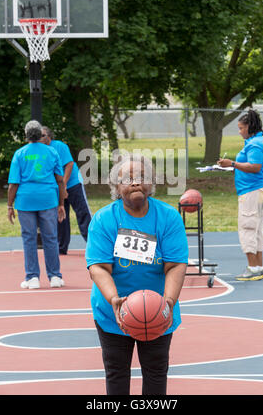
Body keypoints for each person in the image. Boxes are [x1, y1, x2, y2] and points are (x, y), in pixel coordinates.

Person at [85, 154, 188, 395]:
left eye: (142, 177)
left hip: (157, 310)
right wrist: (114, 300)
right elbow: (98, 267)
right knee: (117, 372)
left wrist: (169, 302)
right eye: (127, 178)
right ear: (116, 187)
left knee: (155, 372)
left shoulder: (168, 217)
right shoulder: (104, 219)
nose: (135, 182)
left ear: (151, 183)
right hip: (113, 311)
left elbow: (175, 265)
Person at [7, 120, 66, 289]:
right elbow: (60, 180)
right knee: (51, 238)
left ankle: (32, 277)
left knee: (29, 238)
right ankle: (55, 276)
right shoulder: (52, 152)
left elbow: (13, 184)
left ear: (26, 135)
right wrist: (61, 203)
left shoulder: (19, 153)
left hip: (25, 200)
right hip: (48, 199)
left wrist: (9, 205)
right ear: (41, 134)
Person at [217, 109, 263, 281]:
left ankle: (253, 268)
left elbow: (255, 167)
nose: (240, 131)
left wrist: (232, 163)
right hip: (257, 189)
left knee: (247, 227)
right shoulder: (255, 141)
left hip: (252, 191)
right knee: (256, 229)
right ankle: (259, 267)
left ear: (250, 127)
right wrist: (232, 166)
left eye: (241, 128)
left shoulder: (255, 144)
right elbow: (249, 165)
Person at [40, 126, 92, 254]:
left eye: (43, 135)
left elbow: (69, 165)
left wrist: (63, 185)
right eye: (38, 135)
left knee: (82, 213)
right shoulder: (39, 151)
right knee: (60, 216)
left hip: (73, 184)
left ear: (49, 136)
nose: (40, 138)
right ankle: (61, 247)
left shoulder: (59, 146)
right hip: (57, 187)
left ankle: (94, 245)